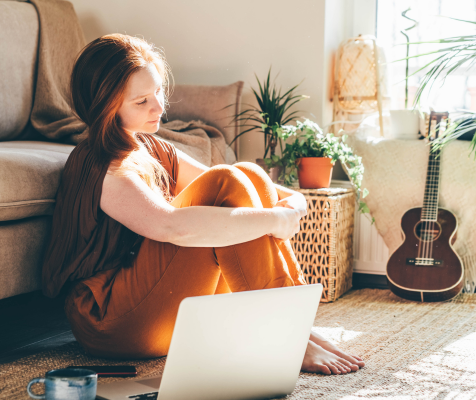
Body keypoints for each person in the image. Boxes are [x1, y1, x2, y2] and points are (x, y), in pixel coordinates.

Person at [41, 33, 365, 375]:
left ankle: (293, 326)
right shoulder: (102, 165)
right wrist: (274, 221)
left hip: (147, 302)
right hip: (109, 321)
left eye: (158, 93)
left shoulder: (151, 146)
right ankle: (287, 333)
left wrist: (293, 197)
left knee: (246, 174)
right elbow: (169, 226)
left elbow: (235, 182)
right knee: (226, 181)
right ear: (105, 107)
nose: (159, 108)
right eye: (142, 102)